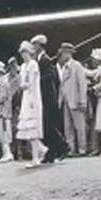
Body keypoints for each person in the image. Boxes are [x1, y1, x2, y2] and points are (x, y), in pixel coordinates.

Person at [31, 34, 66, 163]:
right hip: (43, 98)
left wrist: (36, 80)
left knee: (48, 126)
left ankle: (62, 146)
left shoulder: (45, 60)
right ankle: (51, 153)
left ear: (40, 46)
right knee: (45, 127)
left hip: (48, 98)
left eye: (35, 45)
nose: (33, 47)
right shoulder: (40, 60)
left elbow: (51, 76)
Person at [16, 41, 47, 167]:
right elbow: (22, 83)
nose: (23, 55)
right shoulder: (23, 66)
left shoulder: (33, 65)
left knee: (32, 128)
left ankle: (36, 157)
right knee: (27, 129)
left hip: (33, 97)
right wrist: (23, 85)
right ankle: (42, 149)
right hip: (26, 97)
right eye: (22, 53)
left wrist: (33, 101)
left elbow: (33, 83)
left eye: (25, 52)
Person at [57, 43, 88, 156]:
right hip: (66, 101)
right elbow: (62, 85)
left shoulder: (77, 66)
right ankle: (71, 149)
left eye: (65, 52)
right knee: (68, 127)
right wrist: (60, 101)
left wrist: (83, 100)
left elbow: (82, 84)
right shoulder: (64, 67)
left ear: (69, 53)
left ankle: (82, 149)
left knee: (79, 126)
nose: (63, 55)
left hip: (76, 100)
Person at [7, 56, 25, 160]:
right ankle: (12, 152)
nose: (13, 69)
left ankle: (19, 152)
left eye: (14, 66)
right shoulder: (6, 79)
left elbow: (21, 93)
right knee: (10, 131)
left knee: (18, 130)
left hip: (18, 107)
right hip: (8, 108)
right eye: (11, 67)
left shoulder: (19, 78)